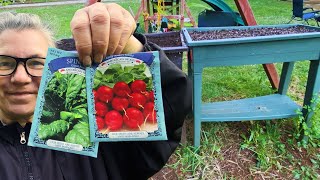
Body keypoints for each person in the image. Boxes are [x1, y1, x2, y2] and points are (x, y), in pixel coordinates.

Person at [0, 2, 192, 180]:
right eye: (4, 63)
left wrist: (130, 46)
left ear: (55, 69)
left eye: (36, 63)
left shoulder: (96, 131)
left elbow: (170, 107)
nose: (20, 78)